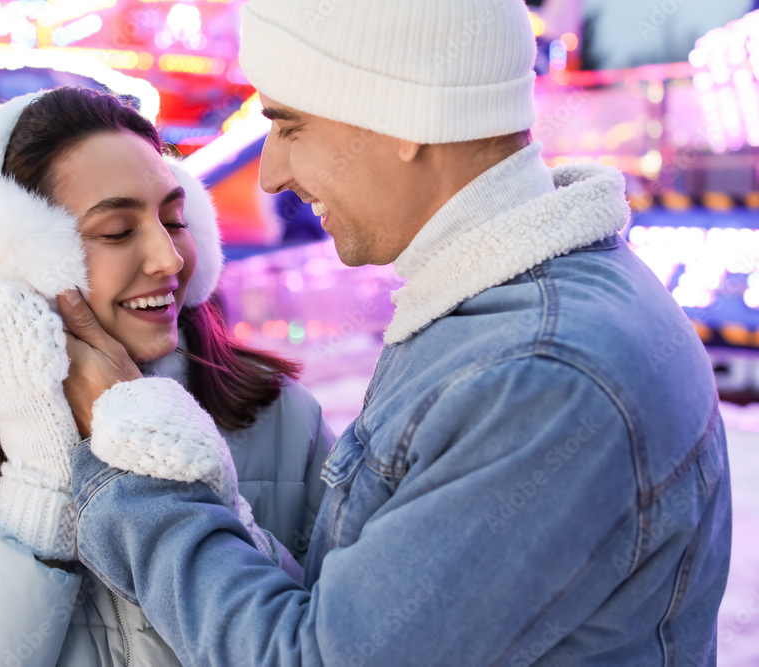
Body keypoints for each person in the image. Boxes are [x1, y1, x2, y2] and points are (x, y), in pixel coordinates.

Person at [61, 1, 733, 665]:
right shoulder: (511, 315)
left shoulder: (538, 375)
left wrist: (132, 462)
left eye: (289, 125)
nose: (271, 173)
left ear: (401, 114)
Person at [0, 87, 334, 666]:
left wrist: (169, 460)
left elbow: (338, 645)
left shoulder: (281, 417)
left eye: (175, 220)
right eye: (116, 231)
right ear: (9, 263)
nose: (169, 259)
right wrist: (38, 484)